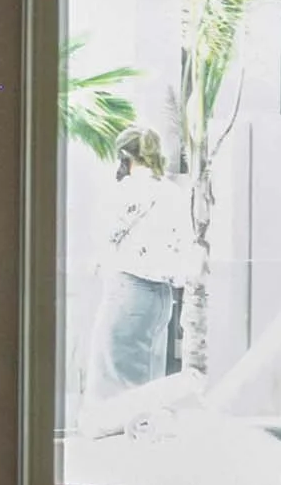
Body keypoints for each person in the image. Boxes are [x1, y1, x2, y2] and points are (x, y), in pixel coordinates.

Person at [84, 126, 198, 401]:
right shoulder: (173, 193)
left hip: (128, 288)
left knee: (112, 380)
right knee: (148, 380)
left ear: (125, 157)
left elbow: (104, 237)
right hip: (162, 298)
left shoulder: (124, 191)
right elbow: (186, 246)